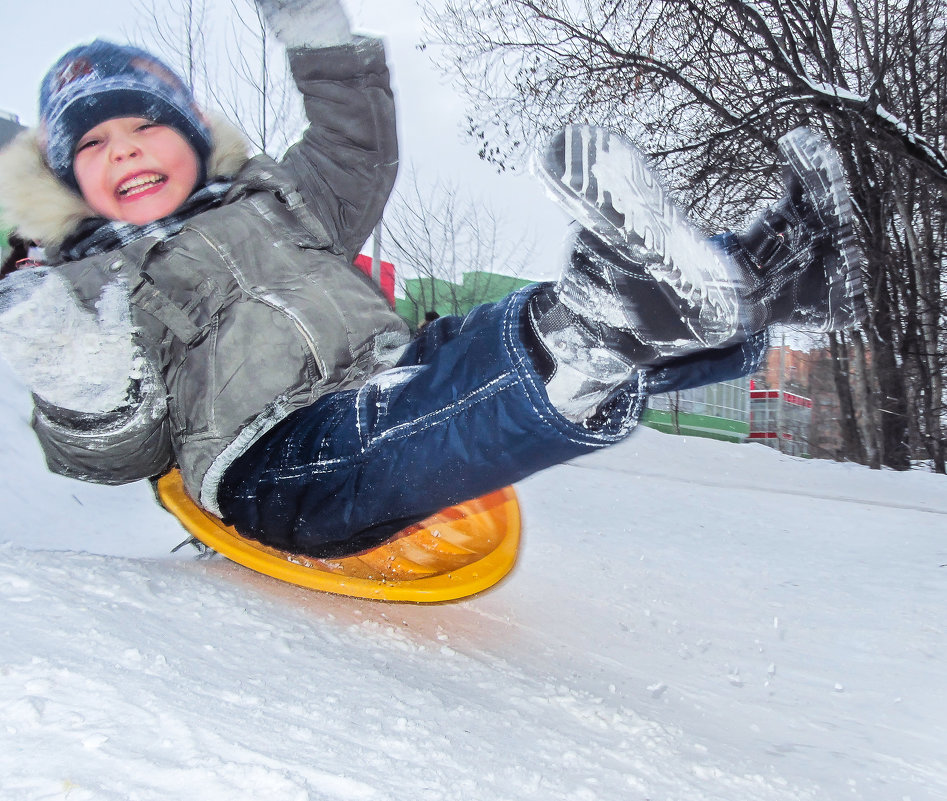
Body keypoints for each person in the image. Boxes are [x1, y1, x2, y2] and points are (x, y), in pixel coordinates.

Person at [0, 0, 863, 558]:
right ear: (74, 183)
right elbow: (124, 455)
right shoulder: (94, 284)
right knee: (451, 391)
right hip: (268, 460)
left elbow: (356, 146)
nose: (123, 153)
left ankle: (777, 277)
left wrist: (321, 44)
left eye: (143, 129)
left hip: (393, 370)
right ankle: (601, 328)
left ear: (192, 137)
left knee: (485, 336)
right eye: (93, 147)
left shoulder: (283, 200)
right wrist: (80, 382)